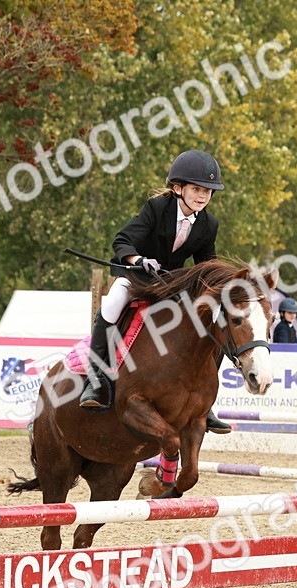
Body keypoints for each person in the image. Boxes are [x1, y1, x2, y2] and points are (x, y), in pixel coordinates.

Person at [80, 150, 231, 434]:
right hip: (138, 278)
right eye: (197, 189)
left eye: (208, 191)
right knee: (111, 304)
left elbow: (205, 263)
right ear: (178, 188)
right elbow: (123, 240)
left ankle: (205, 404)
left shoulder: (208, 224)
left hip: (172, 284)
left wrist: (220, 286)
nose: (202, 196)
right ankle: (96, 381)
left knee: (213, 318)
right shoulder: (157, 208)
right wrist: (139, 260)